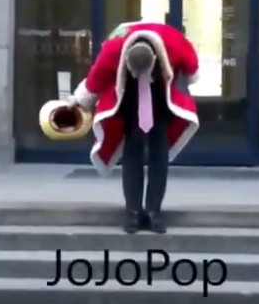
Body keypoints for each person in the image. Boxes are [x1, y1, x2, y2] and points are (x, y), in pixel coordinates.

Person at [67, 21, 201, 234]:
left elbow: (192, 65)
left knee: (159, 155)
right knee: (132, 153)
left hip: (161, 97)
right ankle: (133, 212)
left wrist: (177, 75)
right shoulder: (113, 48)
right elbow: (95, 79)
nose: (142, 77)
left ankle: (154, 212)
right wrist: (77, 101)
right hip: (129, 99)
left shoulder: (173, 43)